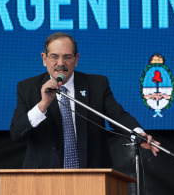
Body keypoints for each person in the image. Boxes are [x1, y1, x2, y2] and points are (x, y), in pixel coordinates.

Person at [10, 32, 160, 169]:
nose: (61, 63)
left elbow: (117, 115)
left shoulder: (97, 84)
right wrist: (43, 105)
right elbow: (17, 133)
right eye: (54, 57)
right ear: (44, 58)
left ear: (76, 59)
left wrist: (139, 134)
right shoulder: (27, 87)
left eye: (67, 57)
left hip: (92, 175)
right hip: (43, 178)